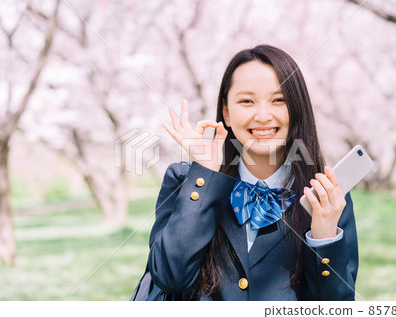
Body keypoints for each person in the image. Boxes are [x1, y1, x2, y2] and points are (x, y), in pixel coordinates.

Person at [134, 44, 358, 301]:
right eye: (246, 101)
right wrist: (205, 174)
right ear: (226, 113)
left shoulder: (327, 195)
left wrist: (325, 236)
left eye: (278, 100)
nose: (262, 116)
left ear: (296, 108)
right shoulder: (187, 181)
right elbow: (170, 277)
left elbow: (336, 307)